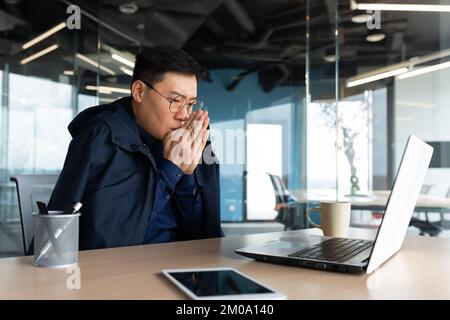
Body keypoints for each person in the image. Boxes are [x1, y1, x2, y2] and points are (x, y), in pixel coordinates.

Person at [48, 46, 222, 250]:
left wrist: (186, 176)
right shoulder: (103, 137)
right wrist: (171, 169)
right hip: (124, 274)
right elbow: (112, 244)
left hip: (176, 267)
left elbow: (202, 239)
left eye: (190, 103)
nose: (184, 114)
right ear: (139, 91)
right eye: (175, 101)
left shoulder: (185, 138)